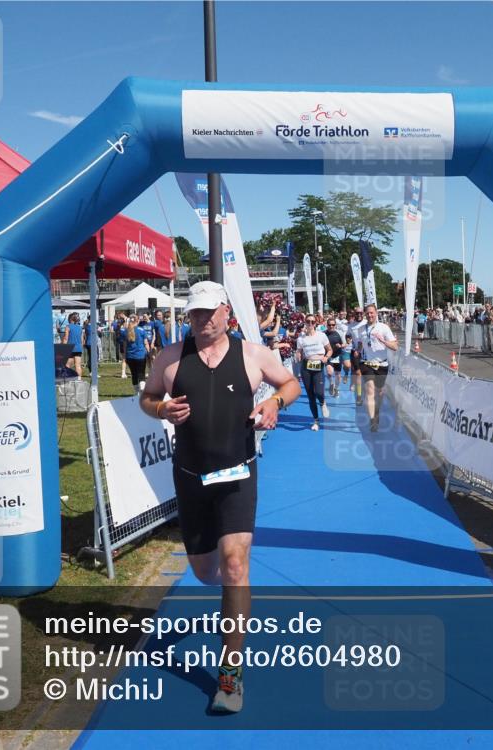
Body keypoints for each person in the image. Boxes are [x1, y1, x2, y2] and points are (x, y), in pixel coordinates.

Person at [139, 282, 300, 714]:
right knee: (206, 571)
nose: (202, 320)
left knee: (235, 564)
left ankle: (230, 674)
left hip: (238, 475)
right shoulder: (171, 358)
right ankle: (226, 598)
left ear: (226, 311)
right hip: (191, 479)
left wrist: (274, 406)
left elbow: (289, 384)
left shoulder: (252, 355)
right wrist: (160, 410)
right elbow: (147, 396)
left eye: (209, 312)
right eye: (195, 313)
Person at [358, 303, 399, 432]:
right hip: (366, 363)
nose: (369, 315)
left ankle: (376, 411)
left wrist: (383, 341)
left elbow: (395, 347)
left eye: (372, 312)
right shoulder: (361, 329)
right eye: (367, 313)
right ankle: (372, 421)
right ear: (365, 314)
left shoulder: (384, 328)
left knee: (380, 393)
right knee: (370, 391)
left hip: (382, 365)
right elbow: (361, 344)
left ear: (376, 313)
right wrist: (357, 351)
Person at [296, 315, 332, 430]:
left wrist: (326, 358)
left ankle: (323, 403)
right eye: (308, 321)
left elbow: (330, 350)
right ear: (305, 323)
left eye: (312, 322)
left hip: (319, 366)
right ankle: (316, 421)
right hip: (306, 367)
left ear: (316, 323)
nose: (310, 324)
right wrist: (297, 355)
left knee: (319, 393)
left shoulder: (321, 335)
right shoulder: (301, 338)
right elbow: (299, 351)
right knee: (310, 395)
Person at [124, 314, 150, 388]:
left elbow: (125, 345)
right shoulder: (142, 330)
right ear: (137, 321)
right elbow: (146, 343)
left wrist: (125, 356)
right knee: (141, 373)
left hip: (130, 356)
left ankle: (136, 393)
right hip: (140, 356)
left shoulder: (126, 331)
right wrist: (148, 353)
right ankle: (142, 390)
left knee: (134, 374)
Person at [348, 308, 366, 404]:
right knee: (358, 373)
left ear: (363, 314)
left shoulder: (367, 323)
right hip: (355, 352)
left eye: (360, 313)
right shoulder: (351, 325)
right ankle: (359, 396)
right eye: (357, 313)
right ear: (354, 314)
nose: (359, 314)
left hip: (368, 352)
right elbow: (348, 335)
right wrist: (348, 339)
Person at [323, 318, 344, 398]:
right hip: (328, 356)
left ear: (335, 325)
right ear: (326, 325)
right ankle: (331, 383)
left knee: (338, 375)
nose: (331, 326)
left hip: (338, 356)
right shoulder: (323, 334)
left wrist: (341, 345)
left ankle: (336, 388)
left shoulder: (340, 333)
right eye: (329, 325)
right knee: (329, 372)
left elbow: (345, 344)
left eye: (333, 325)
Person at [63, 312, 84, 378]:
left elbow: (66, 338)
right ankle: (79, 379)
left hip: (70, 348)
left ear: (70, 319)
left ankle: (66, 379)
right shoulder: (80, 328)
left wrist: (63, 347)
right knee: (78, 365)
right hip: (78, 348)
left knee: (67, 365)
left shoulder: (68, 327)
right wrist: (81, 347)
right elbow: (82, 340)